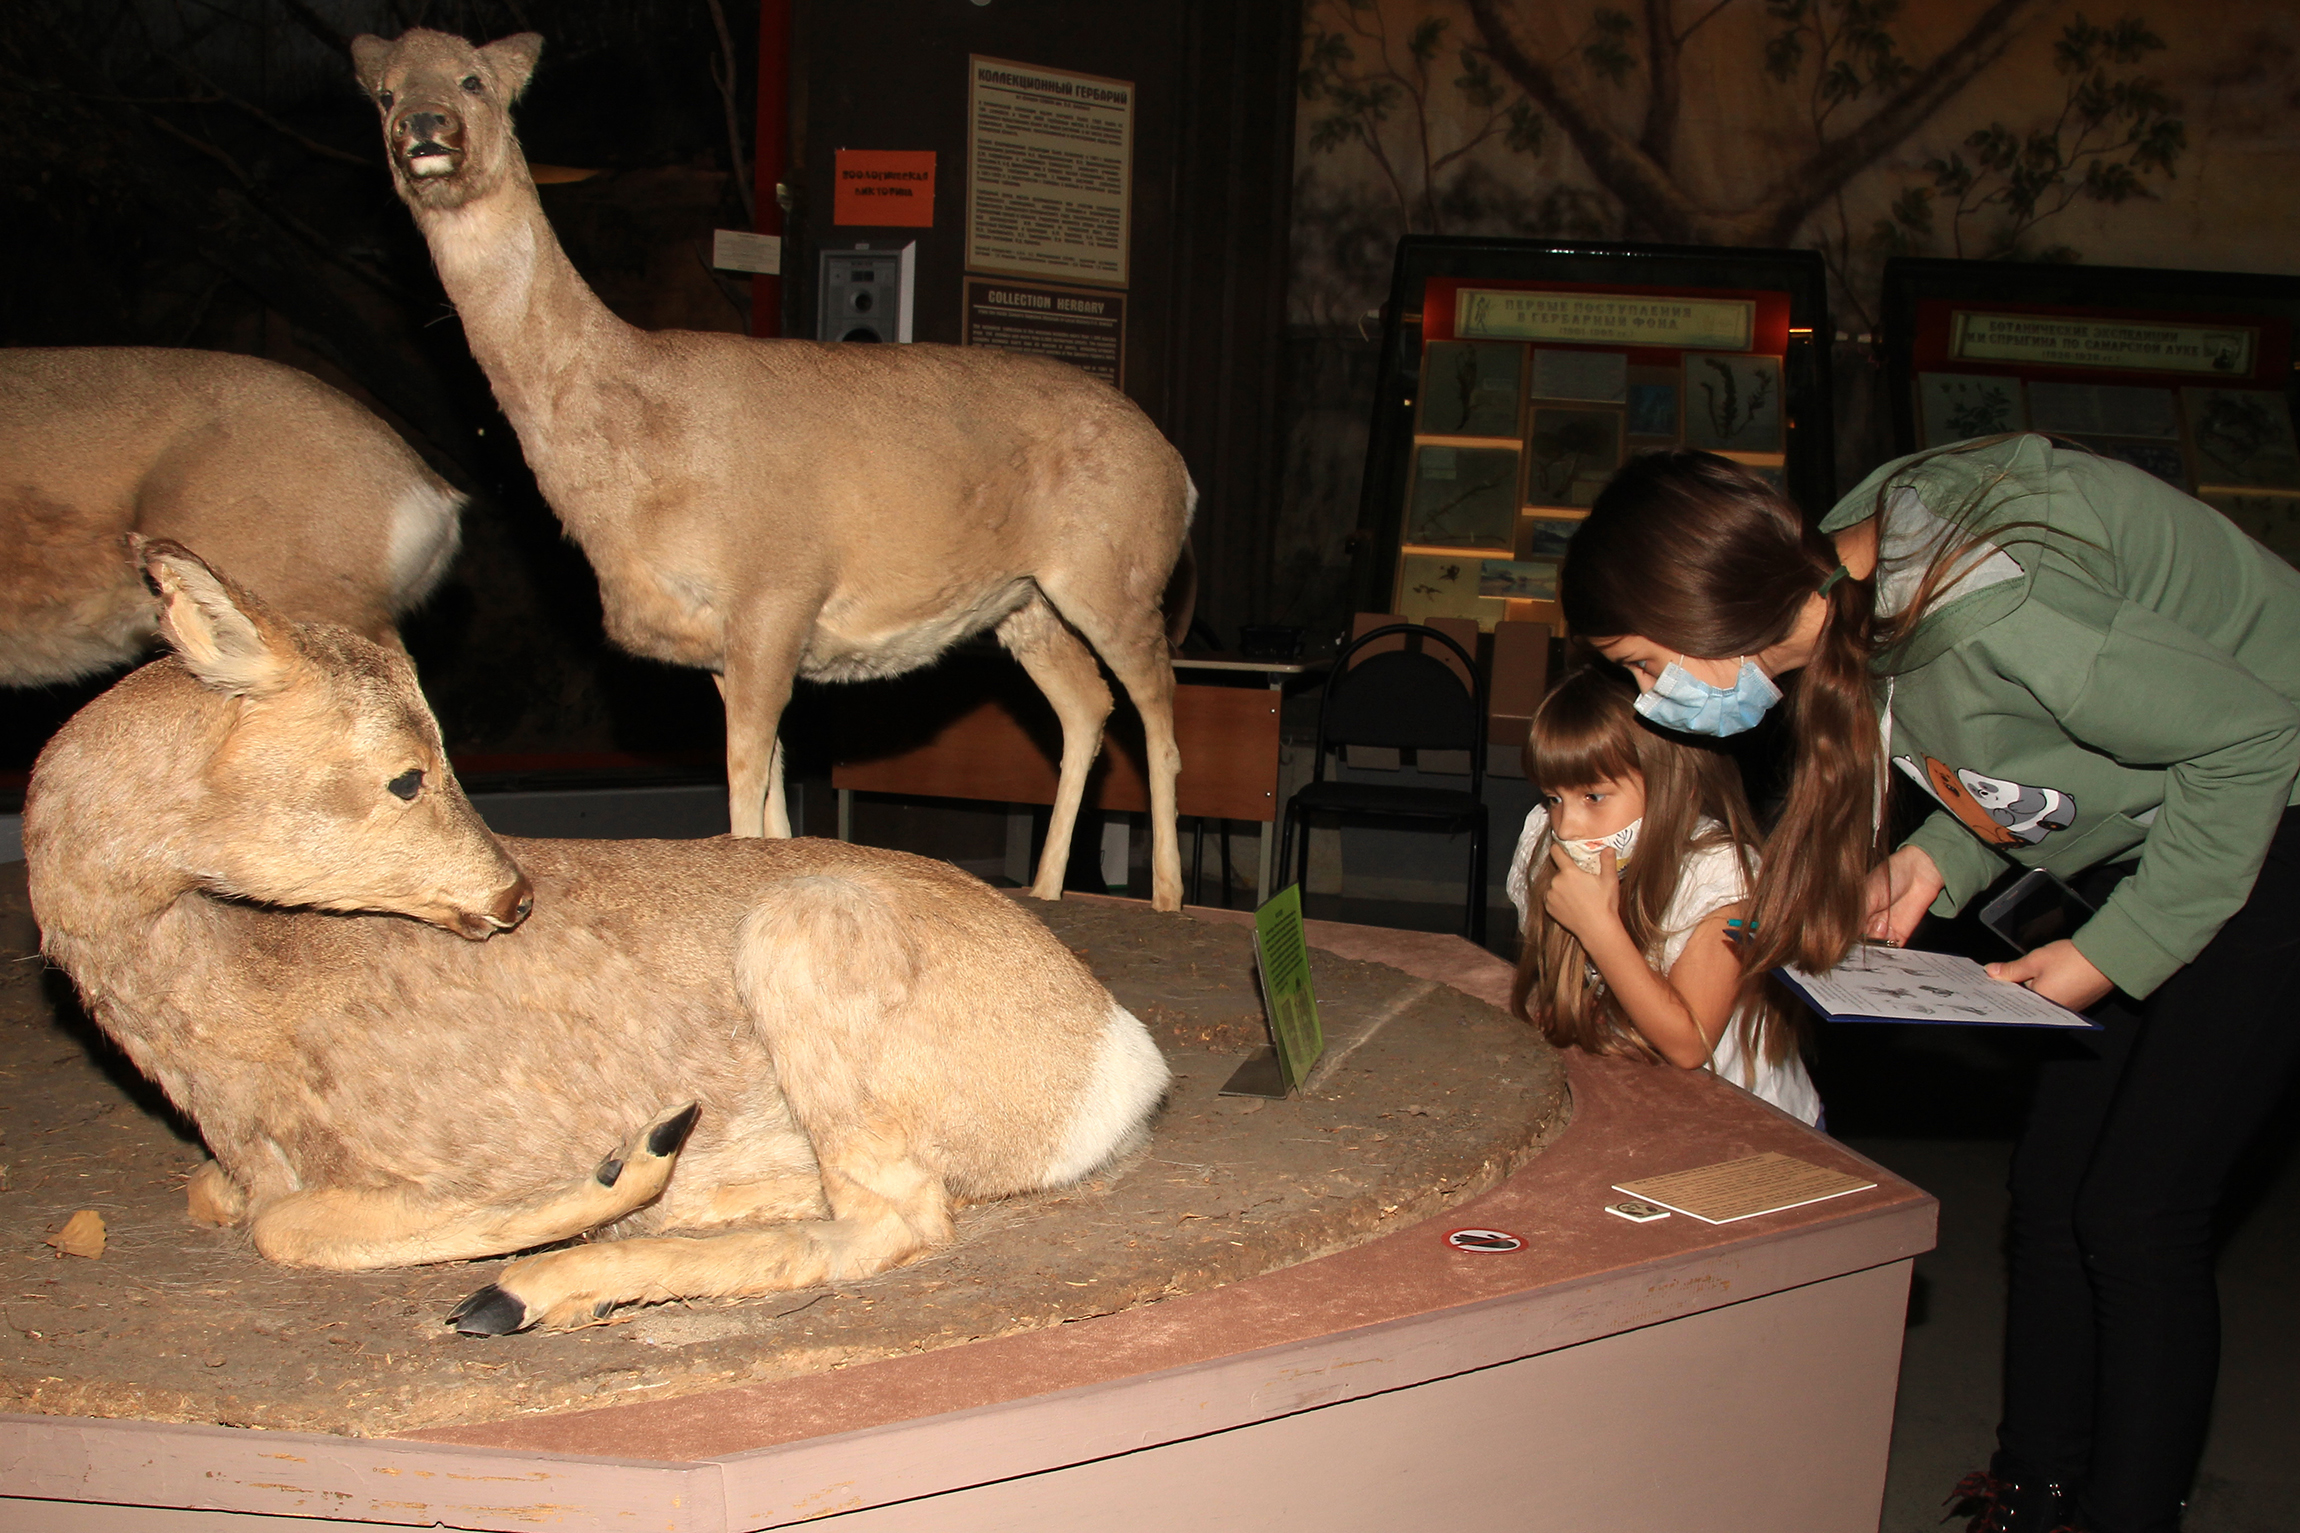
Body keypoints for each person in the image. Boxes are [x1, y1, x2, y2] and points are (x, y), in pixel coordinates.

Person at [1558, 437, 2300, 1533]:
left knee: (2139, 1213)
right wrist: (1936, 856)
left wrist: (2114, 951)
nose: (1645, 698)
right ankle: (2033, 1490)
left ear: (1706, 614)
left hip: (2273, 809)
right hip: (2173, 821)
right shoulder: (1851, 570)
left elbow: (2250, 740)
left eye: (1638, 664)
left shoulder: (2000, 606)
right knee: (2053, 1190)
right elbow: (2045, 744)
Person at [1506, 664, 1821, 1125]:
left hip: (1755, 1123)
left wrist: (1599, 930)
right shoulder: (1546, 838)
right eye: (1554, 798)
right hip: (1646, 1100)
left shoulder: (1722, 875)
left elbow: (1689, 1044)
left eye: (1593, 797)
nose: (1567, 826)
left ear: (1677, 787)